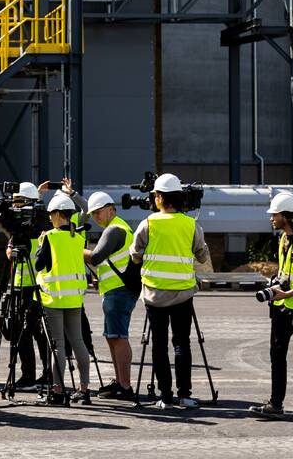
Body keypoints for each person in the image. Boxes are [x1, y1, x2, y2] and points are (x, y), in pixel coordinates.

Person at [129, 173, 210, 410]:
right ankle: (184, 394)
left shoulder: (148, 224)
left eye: (155, 195)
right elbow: (202, 255)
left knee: (159, 345)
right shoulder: (190, 224)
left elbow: (134, 256)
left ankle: (165, 396)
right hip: (183, 293)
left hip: (154, 295)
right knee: (182, 344)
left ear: (161, 198)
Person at [249, 191, 293, 421]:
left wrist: (288, 292)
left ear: (287, 216)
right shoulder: (282, 239)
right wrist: (275, 286)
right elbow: (286, 272)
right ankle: (275, 404)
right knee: (277, 354)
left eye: (275, 214)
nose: (271, 218)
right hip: (282, 305)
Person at [34, 193, 91, 405]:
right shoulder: (78, 237)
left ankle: (57, 390)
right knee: (78, 342)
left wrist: (41, 244)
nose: (50, 218)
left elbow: (39, 265)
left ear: (58, 214)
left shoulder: (50, 237)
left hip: (54, 299)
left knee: (58, 345)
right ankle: (84, 389)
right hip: (74, 298)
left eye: (51, 214)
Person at [83, 190, 136, 400]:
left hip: (119, 291)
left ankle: (124, 385)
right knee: (113, 337)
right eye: (93, 213)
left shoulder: (115, 229)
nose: (96, 217)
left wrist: (72, 248)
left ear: (111, 209)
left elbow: (95, 257)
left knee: (118, 337)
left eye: (99, 212)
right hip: (116, 290)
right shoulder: (116, 227)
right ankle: (120, 382)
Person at [6, 181, 49, 391]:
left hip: (36, 284)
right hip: (19, 283)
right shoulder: (18, 228)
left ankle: (45, 374)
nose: (15, 207)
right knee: (18, 331)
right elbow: (11, 247)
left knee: (37, 332)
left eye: (19, 202)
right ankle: (28, 374)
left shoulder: (41, 227)